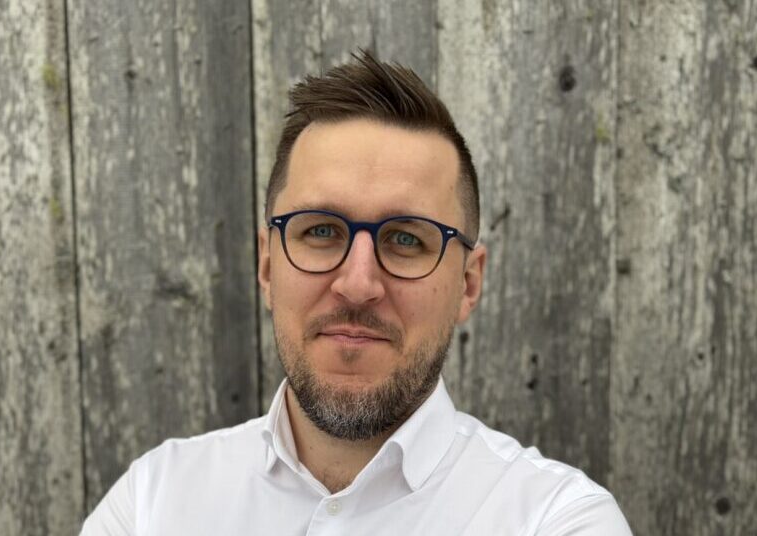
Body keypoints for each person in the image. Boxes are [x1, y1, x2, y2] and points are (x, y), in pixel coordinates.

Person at [81, 50, 632, 535]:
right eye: (321, 231)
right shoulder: (153, 502)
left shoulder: (555, 520)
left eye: (406, 239)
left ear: (468, 283)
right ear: (268, 265)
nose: (357, 285)